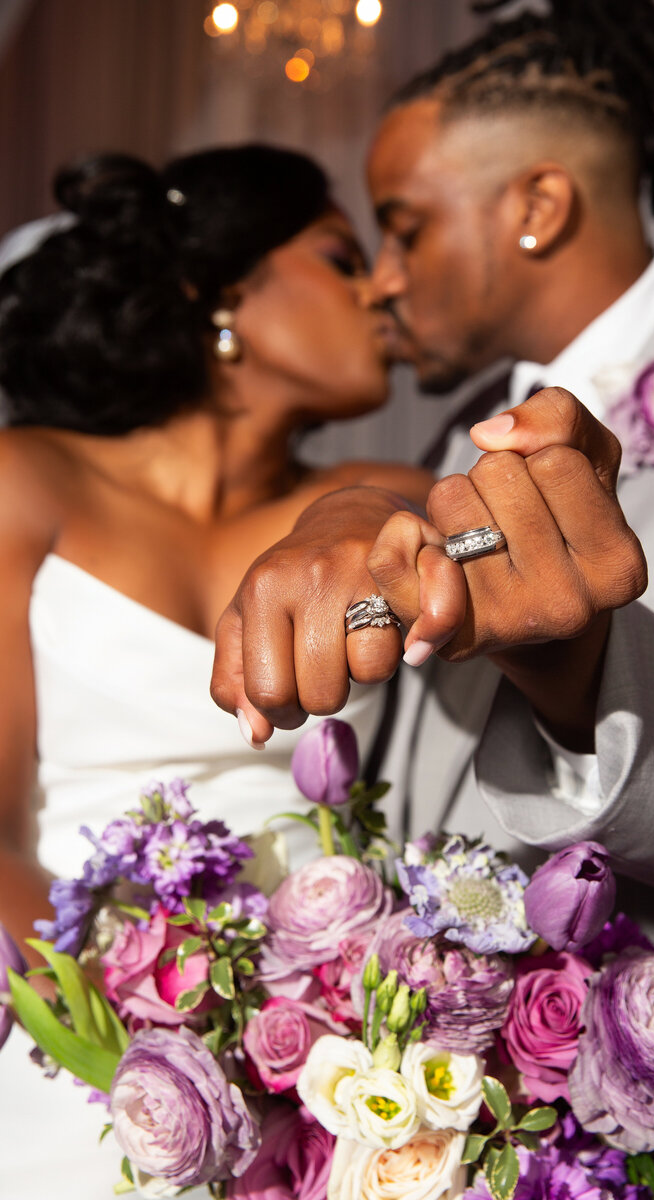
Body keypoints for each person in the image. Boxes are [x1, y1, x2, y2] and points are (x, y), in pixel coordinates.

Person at [211, 0, 654, 1100]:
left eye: (405, 226)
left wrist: (582, 676)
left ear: (536, 205)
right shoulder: (454, 437)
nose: (381, 280)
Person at [0, 144, 431, 1199]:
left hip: (330, 1044)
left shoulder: (387, 497)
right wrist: (141, 1030)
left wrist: (299, 1034)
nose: (381, 284)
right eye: (341, 255)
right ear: (219, 294)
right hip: (64, 1013)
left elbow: (427, 605)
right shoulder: (27, 480)